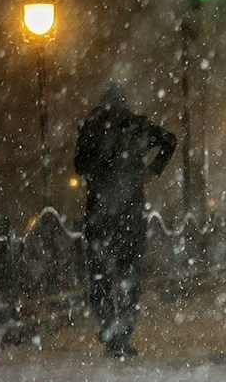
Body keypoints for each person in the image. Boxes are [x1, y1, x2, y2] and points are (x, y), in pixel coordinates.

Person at [74, 80, 177, 358]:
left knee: (100, 276)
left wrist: (101, 163)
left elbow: (79, 165)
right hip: (131, 210)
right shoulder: (137, 125)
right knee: (128, 274)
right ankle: (124, 331)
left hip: (99, 211)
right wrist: (152, 169)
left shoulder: (92, 126)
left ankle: (110, 334)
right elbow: (170, 141)